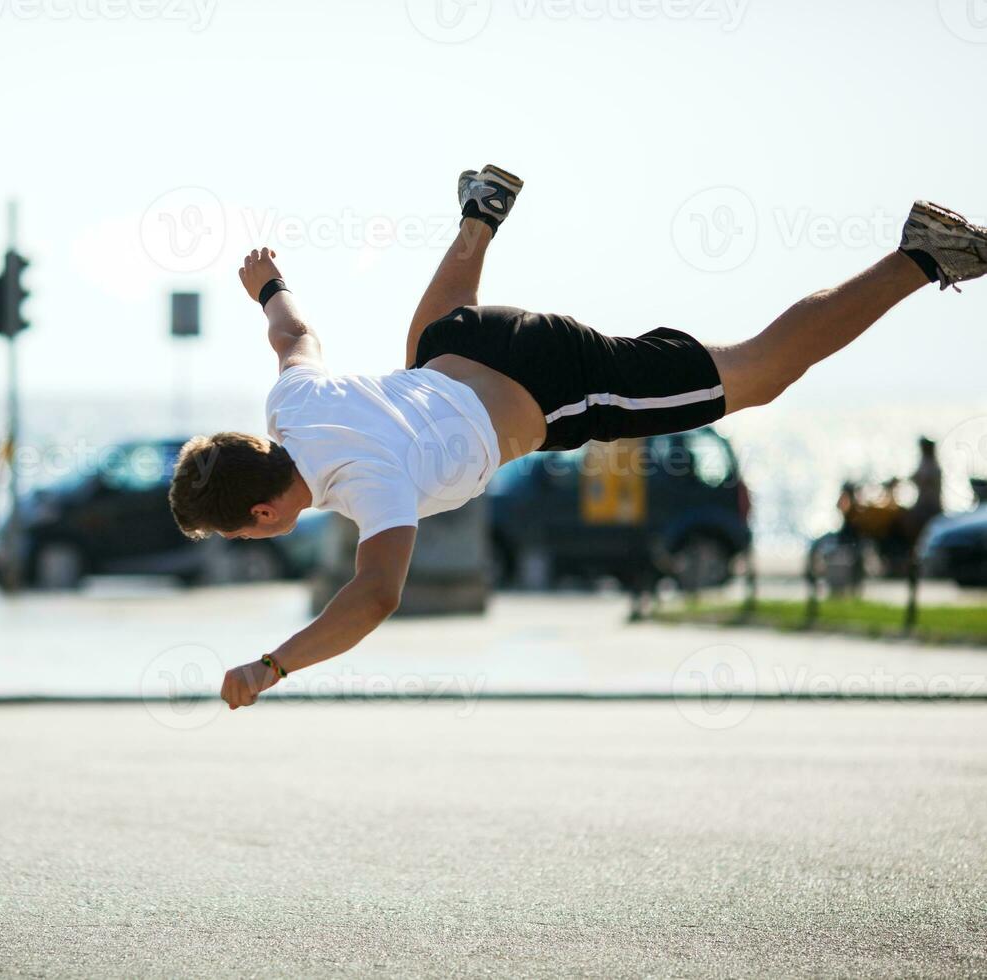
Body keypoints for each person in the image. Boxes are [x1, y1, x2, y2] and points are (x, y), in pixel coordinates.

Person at [166, 165, 987, 710]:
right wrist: (267, 282)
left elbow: (374, 596)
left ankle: (918, 255)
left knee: (758, 374)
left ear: (265, 516)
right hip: (471, 337)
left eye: (241, 528)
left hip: (559, 384)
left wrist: (272, 666)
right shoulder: (294, 404)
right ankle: (479, 217)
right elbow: (292, 332)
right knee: (419, 348)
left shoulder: (368, 483)